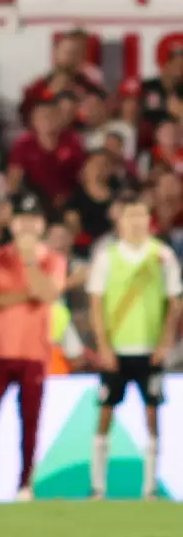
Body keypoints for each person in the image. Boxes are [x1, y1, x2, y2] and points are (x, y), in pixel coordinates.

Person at [0, 195, 66, 501]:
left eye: (32, 219)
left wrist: (29, 262)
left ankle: (25, 484)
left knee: (30, 421)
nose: (26, 225)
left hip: (34, 353)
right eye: (21, 219)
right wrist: (26, 293)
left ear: (41, 224)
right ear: (12, 224)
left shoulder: (52, 259)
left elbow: (48, 294)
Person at [86, 190, 182, 500]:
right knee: (105, 411)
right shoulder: (106, 257)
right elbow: (96, 303)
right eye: (131, 216)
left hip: (149, 349)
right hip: (116, 349)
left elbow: (174, 303)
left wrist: (165, 343)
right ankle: (98, 486)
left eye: (142, 215)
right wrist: (103, 345)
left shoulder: (162, 255)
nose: (137, 222)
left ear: (149, 220)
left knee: (153, 413)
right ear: (120, 221)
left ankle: (150, 486)